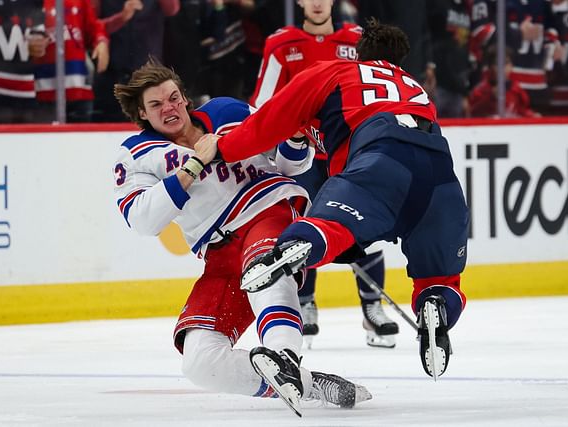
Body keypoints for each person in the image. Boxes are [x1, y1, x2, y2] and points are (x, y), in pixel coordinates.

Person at [195, 20, 469, 381]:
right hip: (440, 176)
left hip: (381, 159)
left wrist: (223, 147)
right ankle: (437, 306)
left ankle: (298, 246)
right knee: (441, 275)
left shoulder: (335, 71)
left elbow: (268, 123)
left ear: (358, 56)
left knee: (332, 225)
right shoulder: (413, 87)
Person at [112, 58, 371, 415]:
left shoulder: (228, 111)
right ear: (142, 113)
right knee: (199, 362)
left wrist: (294, 138)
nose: (168, 108)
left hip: (269, 211)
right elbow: (143, 219)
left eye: (173, 98)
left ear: (185, 98)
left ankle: (284, 353)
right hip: (218, 253)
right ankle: (309, 383)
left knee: (265, 269)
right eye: (156, 105)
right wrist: (192, 166)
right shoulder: (137, 154)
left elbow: (290, 165)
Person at [250, 0, 398, 349]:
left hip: (350, 152)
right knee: (304, 223)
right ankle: (305, 304)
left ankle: (372, 307)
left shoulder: (358, 40)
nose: (316, 2)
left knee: (364, 222)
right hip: (302, 156)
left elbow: (377, 91)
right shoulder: (281, 44)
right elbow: (262, 105)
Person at [31, 0, 110, 123]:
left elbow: (93, 27)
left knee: (80, 140)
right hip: (43, 90)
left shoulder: (80, 2)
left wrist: (101, 41)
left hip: (78, 88)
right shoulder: (31, 4)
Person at [469, 45, 537, 118]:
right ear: (490, 67)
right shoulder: (480, 91)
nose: (502, 68)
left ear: (511, 66)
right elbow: (473, 113)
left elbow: (522, 110)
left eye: (506, 63)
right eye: (497, 64)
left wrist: (532, 116)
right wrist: (491, 97)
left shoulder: (517, 90)